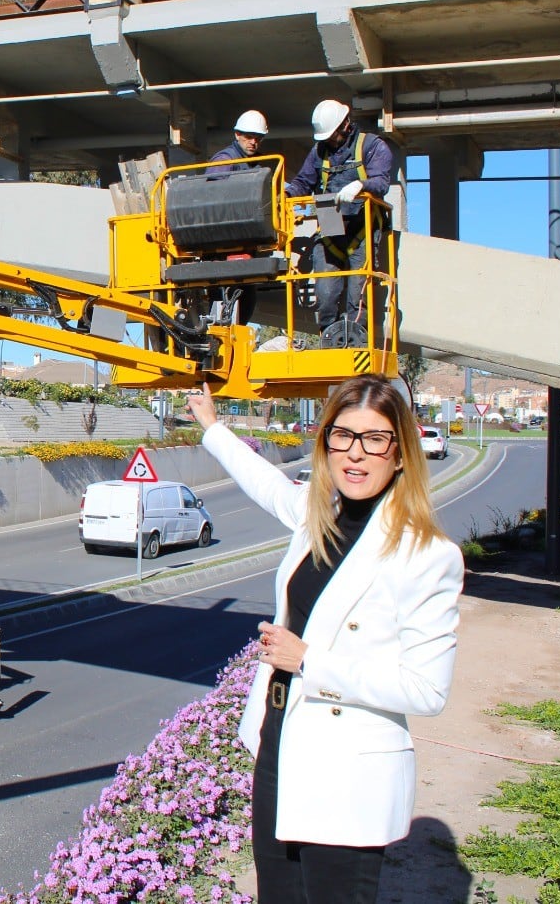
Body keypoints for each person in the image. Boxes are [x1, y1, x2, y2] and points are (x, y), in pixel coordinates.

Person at [185, 375, 463, 904]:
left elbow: (427, 690)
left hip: (347, 769)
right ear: (326, 443)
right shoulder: (320, 517)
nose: (355, 455)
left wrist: (310, 660)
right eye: (343, 436)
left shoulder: (427, 555)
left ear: (401, 454)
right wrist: (212, 426)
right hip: (279, 745)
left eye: (375, 439)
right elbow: (266, 485)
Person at [286, 100, 395, 342]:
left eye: (332, 135)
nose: (328, 140)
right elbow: (304, 182)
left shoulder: (371, 146)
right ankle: (329, 339)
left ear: (345, 124)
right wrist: (287, 195)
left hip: (362, 227)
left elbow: (382, 183)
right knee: (325, 293)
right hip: (330, 224)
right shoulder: (319, 151)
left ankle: (355, 343)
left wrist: (361, 185)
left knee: (358, 296)